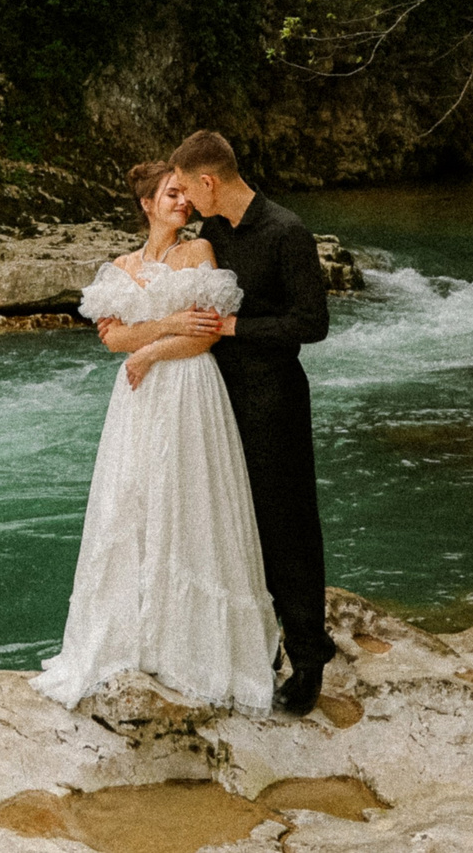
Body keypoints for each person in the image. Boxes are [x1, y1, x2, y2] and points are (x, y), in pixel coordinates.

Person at [31, 161, 280, 713]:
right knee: (132, 505)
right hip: (138, 400)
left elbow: (205, 336)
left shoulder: (199, 254)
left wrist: (148, 348)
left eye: (185, 195)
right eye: (171, 195)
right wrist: (163, 328)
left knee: (188, 504)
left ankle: (193, 647)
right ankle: (133, 638)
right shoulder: (119, 267)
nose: (182, 203)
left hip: (190, 390)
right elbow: (113, 339)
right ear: (146, 203)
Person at [159, 128, 334, 716]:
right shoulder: (212, 232)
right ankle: (251, 650)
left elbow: (313, 323)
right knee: (233, 524)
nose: (184, 200)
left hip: (274, 399)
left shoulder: (288, 233)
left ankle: (308, 658)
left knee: (287, 526)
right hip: (215, 399)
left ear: (209, 182)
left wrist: (238, 330)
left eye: (186, 188)